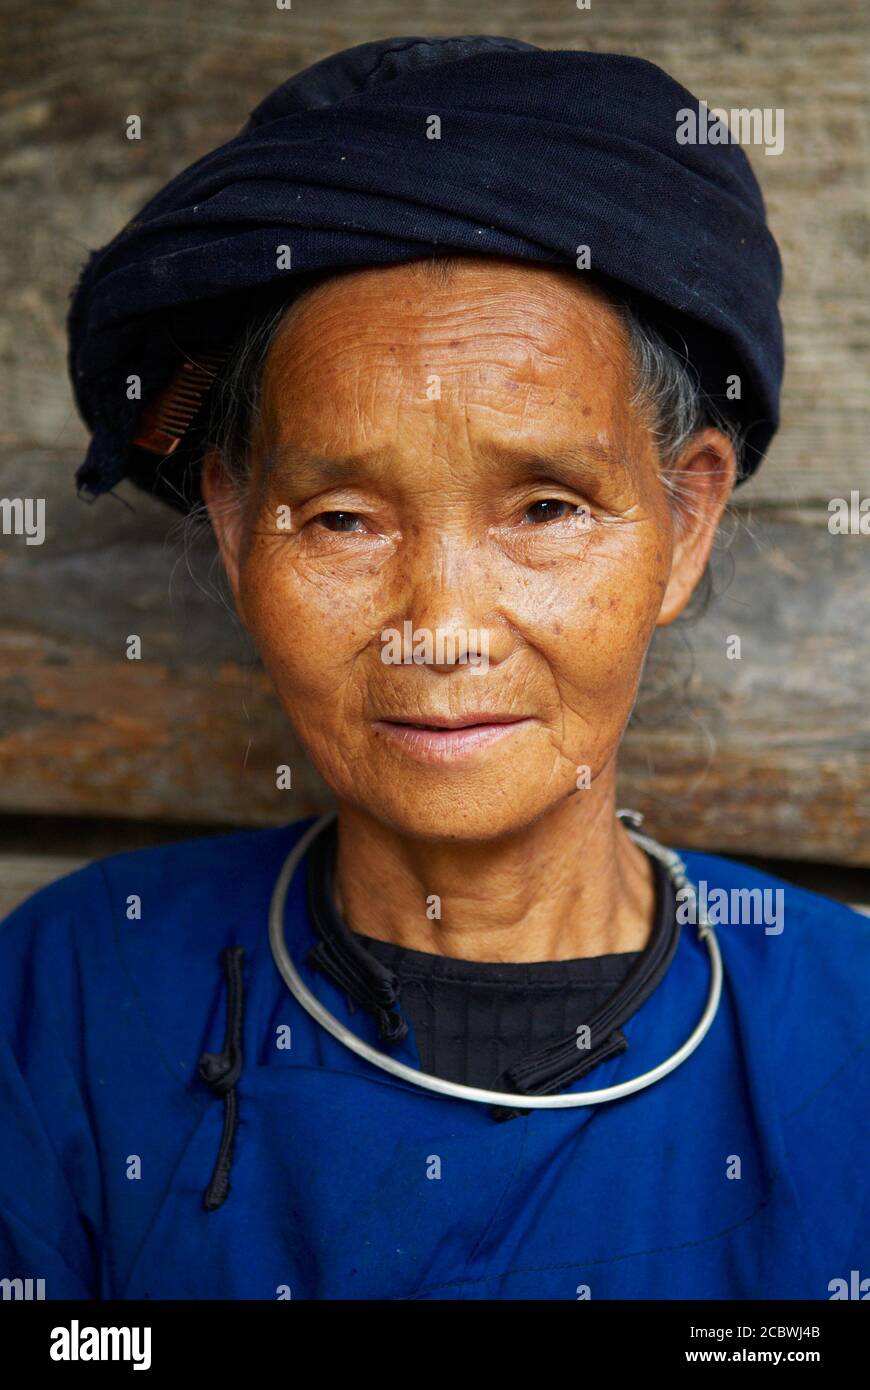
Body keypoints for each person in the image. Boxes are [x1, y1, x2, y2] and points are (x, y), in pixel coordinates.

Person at [1, 35, 867, 1301]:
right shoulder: (71, 997)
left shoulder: (845, 1044)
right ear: (238, 528)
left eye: (548, 507)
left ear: (685, 526)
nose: (442, 627)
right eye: (345, 517)